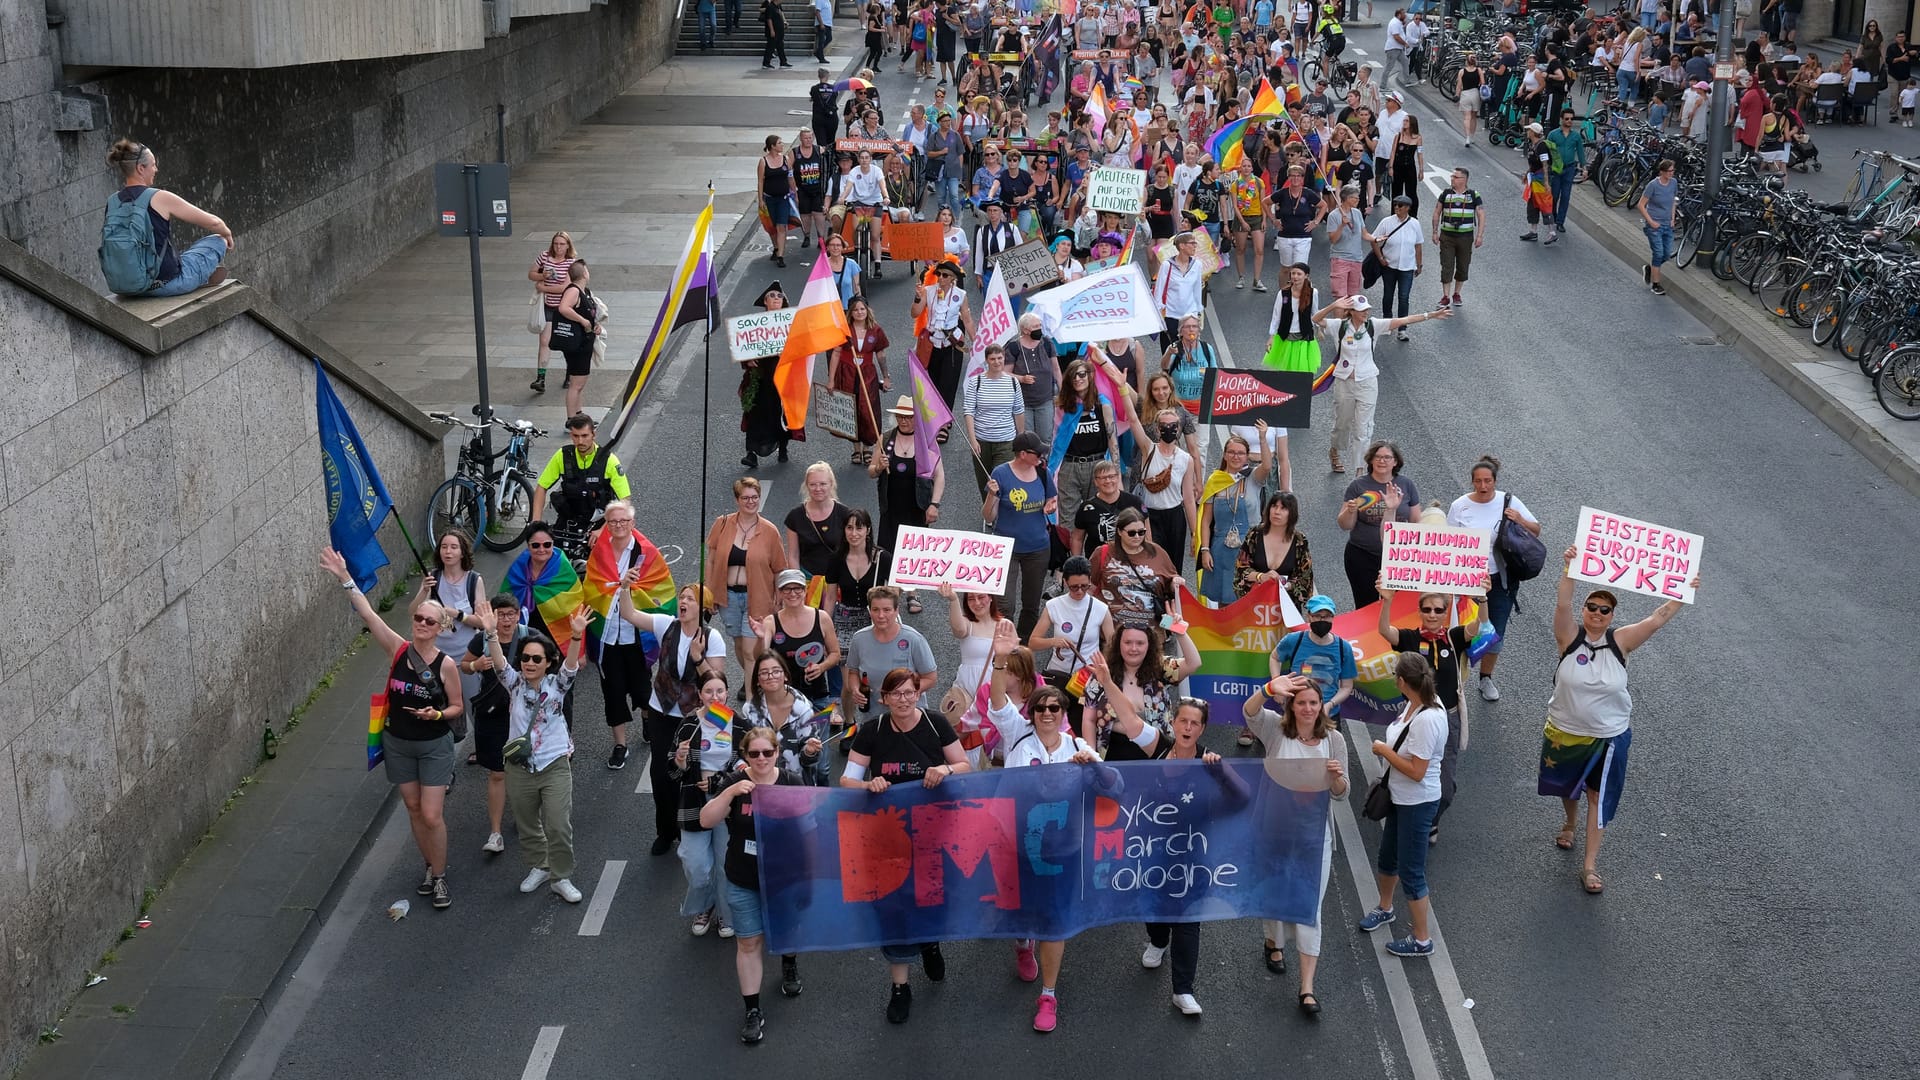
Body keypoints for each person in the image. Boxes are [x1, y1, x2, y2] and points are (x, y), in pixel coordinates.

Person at [1544, 546, 1699, 895]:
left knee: (1597, 795)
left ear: (1612, 615)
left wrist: (1682, 593)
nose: (1597, 613)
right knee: (1568, 788)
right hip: (1565, 730)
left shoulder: (1622, 641)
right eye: (1592, 607)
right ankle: (1569, 821)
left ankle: (1589, 866)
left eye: (1605, 609)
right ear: (1584, 610)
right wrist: (1569, 569)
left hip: (1608, 736)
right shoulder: (1568, 636)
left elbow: (1657, 618)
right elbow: (1562, 606)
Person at [319, 547, 464, 910]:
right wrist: (344, 577)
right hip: (398, 742)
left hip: (433, 745)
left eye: (430, 621)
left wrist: (436, 715)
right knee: (413, 809)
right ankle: (429, 867)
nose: (421, 624)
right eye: (418, 618)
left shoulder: (447, 666)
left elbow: (458, 707)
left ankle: (442, 876)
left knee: (432, 814)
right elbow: (368, 613)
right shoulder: (398, 650)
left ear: (440, 629)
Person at [842, 667, 971, 1023]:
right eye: (895, 694)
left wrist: (944, 771)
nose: (903, 699)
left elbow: (963, 765)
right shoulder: (873, 730)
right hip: (888, 837)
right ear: (883, 699)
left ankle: (929, 941)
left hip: (933, 832)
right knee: (894, 906)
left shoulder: (935, 724)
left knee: (931, 898)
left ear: (918, 693)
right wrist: (869, 785)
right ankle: (900, 987)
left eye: (909, 692)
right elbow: (847, 780)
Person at [1097, 690, 1220, 1013]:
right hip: (1150, 850)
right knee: (1153, 905)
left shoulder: (1209, 760)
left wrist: (1220, 773)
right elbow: (1129, 719)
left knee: (1187, 920)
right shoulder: (1159, 747)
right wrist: (1108, 680)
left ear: (1202, 729)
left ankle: (1183, 990)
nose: (1188, 727)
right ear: (1173, 722)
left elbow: (1243, 795)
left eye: (1195, 723)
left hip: (1191, 857)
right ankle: (1157, 939)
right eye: (1183, 720)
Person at [996, 666, 1096, 1032]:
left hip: (1064, 852)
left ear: (1064, 713)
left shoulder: (1078, 747)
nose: (1049, 713)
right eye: (1041, 708)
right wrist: (1000, 660)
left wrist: (1094, 769)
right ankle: (1023, 942)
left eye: (1056, 708)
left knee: (1054, 923)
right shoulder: (1017, 739)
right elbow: (996, 702)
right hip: (1018, 847)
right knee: (1022, 911)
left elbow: (1115, 785)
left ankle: (1049, 996)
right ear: (1032, 713)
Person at [1241, 677, 1347, 1013]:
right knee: (1273, 894)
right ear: (1291, 705)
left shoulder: (1335, 740)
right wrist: (1269, 688)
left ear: (1321, 705)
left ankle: (1307, 988)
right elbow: (1249, 712)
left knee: (1308, 907)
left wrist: (1337, 779)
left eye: (1313, 702)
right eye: (1301, 702)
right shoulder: (1274, 729)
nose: (1307, 708)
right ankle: (1273, 940)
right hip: (1273, 831)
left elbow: (1342, 794)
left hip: (1314, 839)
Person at [702, 725, 807, 1044]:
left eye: (768, 752)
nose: (761, 758)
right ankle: (752, 1010)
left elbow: (809, 826)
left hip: (783, 878)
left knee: (785, 931)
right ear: (745, 756)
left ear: (777, 753)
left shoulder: (791, 782)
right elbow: (706, 820)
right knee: (748, 943)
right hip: (743, 878)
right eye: (754, 753)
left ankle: (788, 964)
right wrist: (731, 792)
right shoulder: (734, 782)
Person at [478, 601, 588, 903]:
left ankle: (561, 876)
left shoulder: (557, 685)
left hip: (553, 765)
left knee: (558, 825)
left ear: (547, 662)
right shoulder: (514, 685)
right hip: (519, 767)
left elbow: (570, 667)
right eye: (525, 658)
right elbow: (500, 664)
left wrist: (576, 637)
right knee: (527, 824)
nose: (528, 663)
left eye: (535, 659)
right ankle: (540, 866)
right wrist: (490, 633)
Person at [1377, 574, 1486, 840]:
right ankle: (1406, 819)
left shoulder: (1454, 637)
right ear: (1420, 611)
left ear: (1446, 612)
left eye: (1439, 610)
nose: (1433, 614)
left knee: (1446, 787)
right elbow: (1384, 631)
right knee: (1407, 773)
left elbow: (1480, 626)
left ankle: (1432, 819)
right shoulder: (1410, 639)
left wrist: (1483, 599)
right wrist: (1387, 601)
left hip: (1446, 719)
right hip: (1414, 719)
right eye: (1427, 609)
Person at [1356, 652, 1447, 958]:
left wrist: (1383, 750)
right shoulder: (1415, 704)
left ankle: (1422, 940)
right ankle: (1385, 907)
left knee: (1411, 871)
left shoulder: (1426, 719)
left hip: (1417, 804)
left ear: (1401, 681)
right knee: (1388, 855)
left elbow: (1418, 772)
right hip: (1399, 798)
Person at [1313, 296, 1447, 474]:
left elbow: (1405, 320)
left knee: (1363, 429)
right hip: (1344, 383)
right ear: (1351, 311)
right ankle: (1335, 450)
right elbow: (1315, 319)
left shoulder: (1374, 325)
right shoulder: (1339, 326)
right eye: (1361, 310)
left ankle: (1359, 473)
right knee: (1342, 424)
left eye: (1367, 309)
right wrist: (1333, 305)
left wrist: (1430, 315)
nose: (1366, 312)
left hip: (1368, 383)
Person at [1447, 455, 1540, 702]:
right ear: (1472, 482)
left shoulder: (1508, 501)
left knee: (1495, 630)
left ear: (1495, 481)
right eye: (1478, 481)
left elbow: (1536, 529)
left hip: (1499, 579)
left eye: (1488, 481)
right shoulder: (1459, 506)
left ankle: (1486, 678)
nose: (1483, 486)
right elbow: (1447, 543)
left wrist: (1519, 519)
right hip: (1466, 580)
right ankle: (1456, 678)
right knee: (1460, 628)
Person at [100, 138, 234, 299]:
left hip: (126, 289)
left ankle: (200, 273)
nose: (156, 169)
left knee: (183, 256)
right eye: (153, 165)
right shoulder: (158, 197)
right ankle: (202, 275)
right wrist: (226, 234)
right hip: (166, 285)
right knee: (216, 241)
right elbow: (214, 222)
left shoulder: (112, 202)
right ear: (141, 168)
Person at [593, 501, 664, 771]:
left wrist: (635, 593)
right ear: (607, 525)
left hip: (637, 635)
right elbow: (592, 588)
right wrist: (617, 588)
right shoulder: (599, 553)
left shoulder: (647, 553)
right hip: (608, 634)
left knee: (642, 686)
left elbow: (661, 591)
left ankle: (647, 718)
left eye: (624, 521)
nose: (619, 526)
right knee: (612, 690)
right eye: (613, 522)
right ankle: (620, 744)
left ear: (632, 524)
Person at [671, 671, 740, 936]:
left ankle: (725, 913)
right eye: (709, 691)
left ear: (726, 693)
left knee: (725, 864)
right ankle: (705, 904)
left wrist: (718, 783)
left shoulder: (738, 723)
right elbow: (672, 771)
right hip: (693, 802)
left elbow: (745, 766)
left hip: (727, 802)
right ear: (700, 694)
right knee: (696, 864)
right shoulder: (689, 725)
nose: (715, 697)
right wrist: (679, 758)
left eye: (720, 691)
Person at [705, 476, 789, 681]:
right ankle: (754, 679)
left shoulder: (769, 531)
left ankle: (753, 697)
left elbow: (779, 568)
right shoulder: (722, 524)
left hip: (758, 596)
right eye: (745, 498)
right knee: (740, 644)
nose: (751, 502)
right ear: (737, 500)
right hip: (729, 597)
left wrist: (779, 598)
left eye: (755, 497)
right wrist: (708, 593)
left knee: (751, 650)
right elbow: (711, 561)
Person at [1080, 622, 1201, 758]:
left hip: (1156, 754)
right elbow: (1088, 720)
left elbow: (1194, 663)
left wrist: (1180, 632)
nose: (1133, 648)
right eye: (1128, 642)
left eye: (1140, 643)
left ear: (1149, 645)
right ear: (1118, 644)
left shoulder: (1160, 668)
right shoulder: (1102, 673)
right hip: (1111, 752)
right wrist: (1091, 756)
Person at [984, 431, 1060, 639]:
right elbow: (988, 515)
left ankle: (1023, 648)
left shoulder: (1042, 471)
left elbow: (1051, 499)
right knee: (1005, 604)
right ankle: (1004, 645)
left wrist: (1050, 506)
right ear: (1023, 454)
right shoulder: (1000, 473)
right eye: (1038, 453)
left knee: (1031, 604)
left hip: (1038, 547)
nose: (1041, 457)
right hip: (1006, 547)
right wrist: (991, 495)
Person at [1335, 439, 1420, 607]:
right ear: (1370, 460)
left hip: (1398, 559)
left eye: (1387, 457)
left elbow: (1416, 521)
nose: (1382, 461)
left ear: (1395, 462)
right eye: (1378, 457)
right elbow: (1345, 525)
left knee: (1398, 607)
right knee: (1366, 606)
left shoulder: (1406, 485)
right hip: (1362, 556)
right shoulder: (1358, 486)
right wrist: (1350, 511)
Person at [840, 585, 939, 728]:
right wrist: (855, 689)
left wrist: (901, 697)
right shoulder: (859, 639)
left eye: (886, 610)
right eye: (875, 610)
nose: (881, 616)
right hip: (873, 719)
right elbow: (853, 672)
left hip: (910, 719)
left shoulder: (913, 639)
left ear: (896, 610)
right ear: (869, 610)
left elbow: (930, 678)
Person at [1196, 427, 1271, 604]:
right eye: (1231, 452)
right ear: (1225, 455)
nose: (1236, 456)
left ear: (1247, 456)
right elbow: (1206, 521)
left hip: (1250, 547)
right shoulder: (1215, 481)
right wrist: (1205, 550)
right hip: (1221, 550)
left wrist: (1262, 438)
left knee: (1250, 600)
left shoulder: (1253, 477)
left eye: (1240, 453)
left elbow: (1267, 465)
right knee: (1225, 602)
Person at [871, 396, 947, 561]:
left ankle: (910, 588)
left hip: (917, 509)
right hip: (890, 510)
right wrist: (879, 467)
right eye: (900, 416)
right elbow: (871, 471)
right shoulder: (885, 438)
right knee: (888, 557)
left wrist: (934, 504)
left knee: (913, 560)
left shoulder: (927, 441)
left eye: (908, 417)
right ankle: (890, 588)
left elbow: (939, 474)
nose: (903, 421)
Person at [754, 567, 843, 705]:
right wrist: (760, 638)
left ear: (805, 590)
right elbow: (759, 657)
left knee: (817, 727)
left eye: (797, 588)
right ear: (781, 593)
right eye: (787, 589)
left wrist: (822, 667)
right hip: (782, 696)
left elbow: (835, 654)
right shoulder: (771, 622)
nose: (792, 593)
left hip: (817, 694)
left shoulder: (822, 618)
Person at [741, 651, 828, 785]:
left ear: (785, 675)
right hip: (760, 783)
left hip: (795, 784)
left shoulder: (803, 710)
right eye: (764, 673)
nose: (770, 676)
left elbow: (810, 762)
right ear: (757, 681)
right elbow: (744, 751)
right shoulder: (750, 710)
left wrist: (809, 752)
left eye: (776, 671)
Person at [531, 413, 629, 531]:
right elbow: (541, 487)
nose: (580, 441)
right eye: (576, 436)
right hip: (569, 520)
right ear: (571, 435)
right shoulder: (563, 456)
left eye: (584, 435)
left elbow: (625, 501)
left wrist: (603, 530)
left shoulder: (609, 460)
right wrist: (536, 523)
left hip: (600, 523)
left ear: (593, 434)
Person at [1092, 506, 1181, 631]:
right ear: (1119, 532)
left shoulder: (1157, 552)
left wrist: (1176, 582)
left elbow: (1171, 585)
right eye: (1131, 533)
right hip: (1114, 633)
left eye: (1141, 532)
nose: (1137, 536)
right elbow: (1090, 586)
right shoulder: (1103, 552)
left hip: (1152, 632)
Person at [1137, 406, 1199, 576]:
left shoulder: (1185, 459)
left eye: (1173, 426)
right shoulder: (1148, 449)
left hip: (1175, 517)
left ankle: (1173, 600)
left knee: (1173, 567)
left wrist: (1195, 533)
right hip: (1150, 516)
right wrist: (1123, 390)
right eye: (1164, 426)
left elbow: (1188, 499)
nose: (1169, 429)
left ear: (1178, 429)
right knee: (1152, 564)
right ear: (1157, 429)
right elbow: (1134, 421)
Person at [912, 262, 974, 423]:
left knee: (948, 383)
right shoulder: (928, 291)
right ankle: (932, 420)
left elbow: (967, 320)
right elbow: (915, 313)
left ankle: (945, 422)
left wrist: (977, 342)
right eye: (939, 274)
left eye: (945, 275)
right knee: (931, 383)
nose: (940, 278)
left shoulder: (960, 295)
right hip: (931, 344)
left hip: (951, 344)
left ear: (952, 278)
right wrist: (918, 297)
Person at [829, 297, 889, 462]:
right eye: (856, 310)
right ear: (850, 312)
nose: (859, 312)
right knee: (851, 409)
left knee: (868, 409)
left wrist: (886, 376)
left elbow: (881, 354)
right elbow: (836, 353)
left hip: (867, 374)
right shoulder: (845, 330)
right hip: (847, 373)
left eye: (862, 309)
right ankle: (856, 448)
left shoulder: (875, 330)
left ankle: (867, 447)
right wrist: (831, 380)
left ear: (867, 310)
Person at [1236, 490, 1313, 611]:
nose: (1277, 512)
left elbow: (1305, 579)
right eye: (1274, 506)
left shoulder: (1300, 540)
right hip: (1255, 607)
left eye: (1283, 508)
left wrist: (1283, 586)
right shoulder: (1254, 534)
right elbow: (1241, 569)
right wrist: (1261, 577)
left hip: (1286, 609)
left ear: (1292, 513)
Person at [965, 344, 1027, 496]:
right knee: (984, 481)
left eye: (1000, 358)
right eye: (993, 359)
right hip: (982, 441)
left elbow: (1018, 410)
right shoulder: (975, 382)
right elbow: (968, 412)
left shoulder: (1013, 382)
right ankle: (989, 515)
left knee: (1002, 481)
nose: (997, 362)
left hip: (1006, 441)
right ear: (987, 360)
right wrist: (973, 441)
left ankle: (1002, 514)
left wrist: (1021, 438)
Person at [549, 260, 606, 419]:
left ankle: (578, 415)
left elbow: (590, 314)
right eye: (587, 270)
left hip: (585, 342)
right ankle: (571, 419)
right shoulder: (573, 291)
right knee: (576, 384)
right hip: (577, 345)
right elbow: (563, 307)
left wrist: (596, 325)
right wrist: (582, 320)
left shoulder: (584, 291)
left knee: (579, 384)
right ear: (584, 274)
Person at [524, 231, 577, 394]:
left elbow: (564, 287)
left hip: (565, 308)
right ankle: (541, 378)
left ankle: (570, 374)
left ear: (568, 245)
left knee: (567, 343)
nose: (558, 247)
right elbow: (531, 274)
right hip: (548, 306)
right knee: (544, 341)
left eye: (562, 244)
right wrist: (542, 275)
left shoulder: (572, 263)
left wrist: (543, 287)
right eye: (556, 243)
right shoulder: (544, 256)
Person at [828, 507, 886, 646]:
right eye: (849, 528)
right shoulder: (836, 559)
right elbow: (830, 597)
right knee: (845, 663)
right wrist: (826, 628)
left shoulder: (882, 557)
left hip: (875, 618)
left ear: (868, 530)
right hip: (844, 618)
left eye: (859, 528)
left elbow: (894, 594)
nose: (854, 533)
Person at [1006, 314, 1061, 450]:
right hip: (1023, 403)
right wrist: (1021, 378)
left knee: (1046, 437)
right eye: (1035, 327)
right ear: (1025, 330)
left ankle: (1044, 468)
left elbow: (1056, 369)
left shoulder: (1047, 343)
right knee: (1027, 439)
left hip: (1045, 400)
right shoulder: (1013, 347)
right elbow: (1004, 373)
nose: (1039, 329)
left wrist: (1063, 390)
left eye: (1040, 326)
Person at [1369, 195, 1425, 327]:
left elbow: (1418, 245)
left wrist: (1419, 264)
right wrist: (1381, 258)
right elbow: (1374, 240)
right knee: (1388, 295)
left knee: (1404, 298)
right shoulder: (1386, 222)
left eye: (1400, 205)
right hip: (1389, 266)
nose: (1396, 207)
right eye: (1395, 205)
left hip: (1407, 267)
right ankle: (1387, 323)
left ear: (1407, 208)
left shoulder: (1414, 224)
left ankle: (1402, 328)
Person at [1431, 169, 1483, 309]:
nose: (1452, 178)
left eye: (1455, 176)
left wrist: (1479, 235)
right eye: (1452, 176)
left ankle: (1457, 293)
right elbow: (1437, 212)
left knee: (1463, 266)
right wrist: (1435, 232)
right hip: (1447, 236)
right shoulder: (1446, 194)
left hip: (1465, 237)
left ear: (1464, 180)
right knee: (1446, 265)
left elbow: (1481, 215)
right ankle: (1446, 296)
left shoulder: (1473, 195)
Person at [1070, 458, 1141, 557]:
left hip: (1129, 560)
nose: (1108, 481)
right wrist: (1077, 564)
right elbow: (1077, 538)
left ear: (1118, 477)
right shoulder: (1086, 508)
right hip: (1098, 562)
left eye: (1111, 476)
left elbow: (1146, 534)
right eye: (1103, 478)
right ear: (1096, 481)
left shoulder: (1134, 502)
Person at [1263, 263, 1322, 373]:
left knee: (1301, 371)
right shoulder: (1283, 293)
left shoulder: (1313, 293)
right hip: (1286, 335)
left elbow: (1315, 313)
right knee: (1286, 371)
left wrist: (1319, 329)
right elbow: (1276, 316)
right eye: (1293, 273)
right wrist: (1271, 336)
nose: (1295, 276)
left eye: (1299, 274)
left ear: (1306, 276)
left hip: (1304, 335)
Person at [1153, 232, 1208, 347]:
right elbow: (1159, 290)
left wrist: (1198, 312)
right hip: (1171, 315)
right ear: (1182, 246)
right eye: (1192, 243)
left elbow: (1197, 289)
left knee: (1189, 350)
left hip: (1189, 316)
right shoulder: (1167, 265)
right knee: (1170, 350)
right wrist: (1159, 313)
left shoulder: (1196, 265)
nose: (1195, 246)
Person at [1543, 110, 1587, 245]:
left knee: (1566, 196)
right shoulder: (1553, 134)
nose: (1569, 121)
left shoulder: (1575, 136)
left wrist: (1584, 168)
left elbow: (1580, 151)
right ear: (1561, 119)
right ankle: (1554, 216)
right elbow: (1546, 149)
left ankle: (1560, 222)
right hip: (1556, 169)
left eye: (1571, 119)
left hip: (1569, 168)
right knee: (1555, 195)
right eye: (1567, 119)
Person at [1637, 158, 1678, 297]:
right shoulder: (1653, 185)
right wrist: (1651, 221)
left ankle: (1650, 269)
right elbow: (1641, 205)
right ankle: (1656, 284)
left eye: (1673, 170)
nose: (1672, 173)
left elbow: (1673, 200)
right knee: (1658, 253)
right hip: (1654, 225)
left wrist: (1673, 218)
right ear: (1662, 172)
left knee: (1667, 254)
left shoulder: (1673, 183)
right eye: (1669, 171)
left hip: (1667, 224)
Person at [1324, 185, 1367, 303]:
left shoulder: (1357, 213)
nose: (1358, 200)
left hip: (1356, 259)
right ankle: (1339, 321)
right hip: (1340, 259)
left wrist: (1376, 239)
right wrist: (1342, 225)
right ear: (1347, 198)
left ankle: (1349, 321)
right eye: (1355, 198)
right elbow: (1333, 239)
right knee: (1341, 297)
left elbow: (1364, 234)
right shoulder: (1334, 215)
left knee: (1353, 297)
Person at [759, 135, 794, 268]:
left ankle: (780, 255)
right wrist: (761, 199)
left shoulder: (786, 159)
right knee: (772, 227)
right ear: (772, 146)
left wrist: (794, 193)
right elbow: (760, 181)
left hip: (783, 198)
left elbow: (790, 177)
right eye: (779, 143)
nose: (782, 145)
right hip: (770, 198)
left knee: (781, 226)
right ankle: (775, 247)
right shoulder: (763, 162)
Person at [762, 0, 792, 69]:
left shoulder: (778, 6)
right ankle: (766, 63)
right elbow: (769, 19)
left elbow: (780, 15)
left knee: (780, 47)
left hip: (779, 31)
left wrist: (784, 23)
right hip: (774, 31)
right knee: (770, 46)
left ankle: (783, 62)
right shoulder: (770, 7)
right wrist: (772, 30)